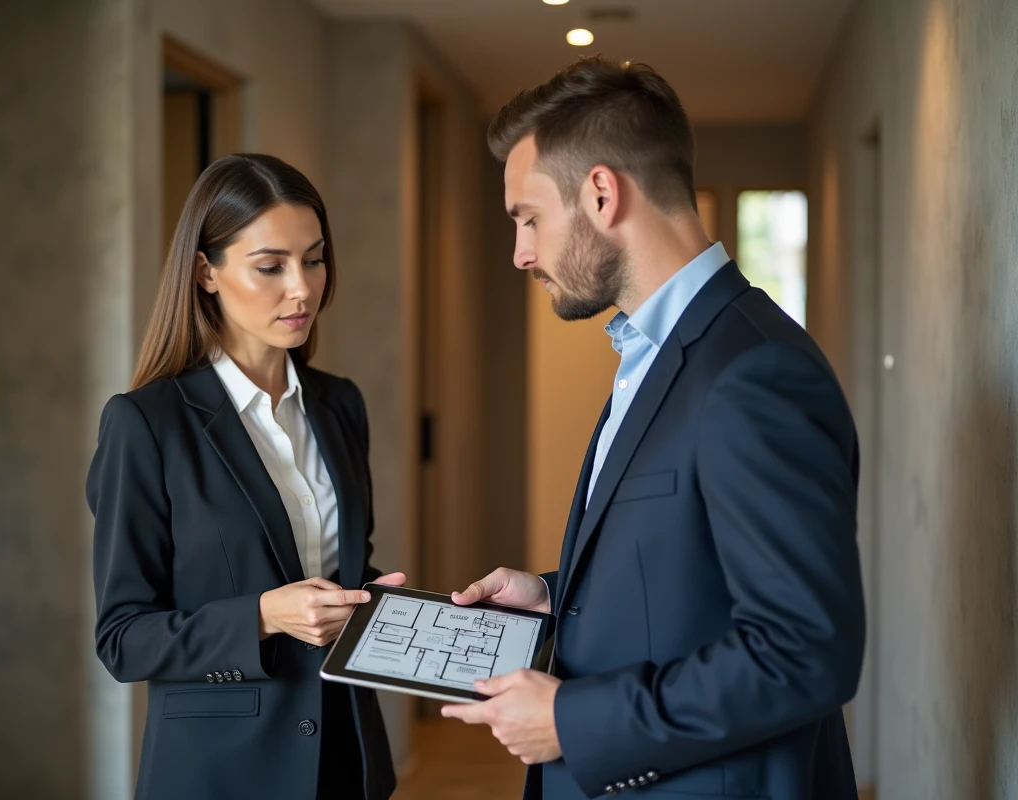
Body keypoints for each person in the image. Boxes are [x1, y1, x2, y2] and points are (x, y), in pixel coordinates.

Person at [443, 58, 866, 800]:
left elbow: (804, 651)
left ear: (601, 193)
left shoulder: (755, 371)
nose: (521, 253)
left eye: (528, 218)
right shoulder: (655, 350)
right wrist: (555, 593)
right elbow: (696, 571)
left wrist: (574, 721)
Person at [86, 153, 402, 800]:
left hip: (344, 761)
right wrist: (263, 615)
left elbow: (345, 577)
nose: (303, 288)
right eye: (271, 267)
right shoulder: (145, 424)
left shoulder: (340, 405)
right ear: (207, 271)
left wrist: (401, 611)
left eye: (313, 259)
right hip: (219, 774)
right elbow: (124, 639)